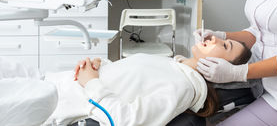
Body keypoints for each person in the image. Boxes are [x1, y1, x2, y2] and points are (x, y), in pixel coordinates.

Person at [41, 36, 252, 126]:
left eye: (225, 46)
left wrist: (91, 82)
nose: (214, 38)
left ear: (222, 68)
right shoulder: (173, 66)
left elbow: (127, 120)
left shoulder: (184, 87)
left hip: (51, 107)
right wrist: (101, 65)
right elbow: (129, 80)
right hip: (54, 84)